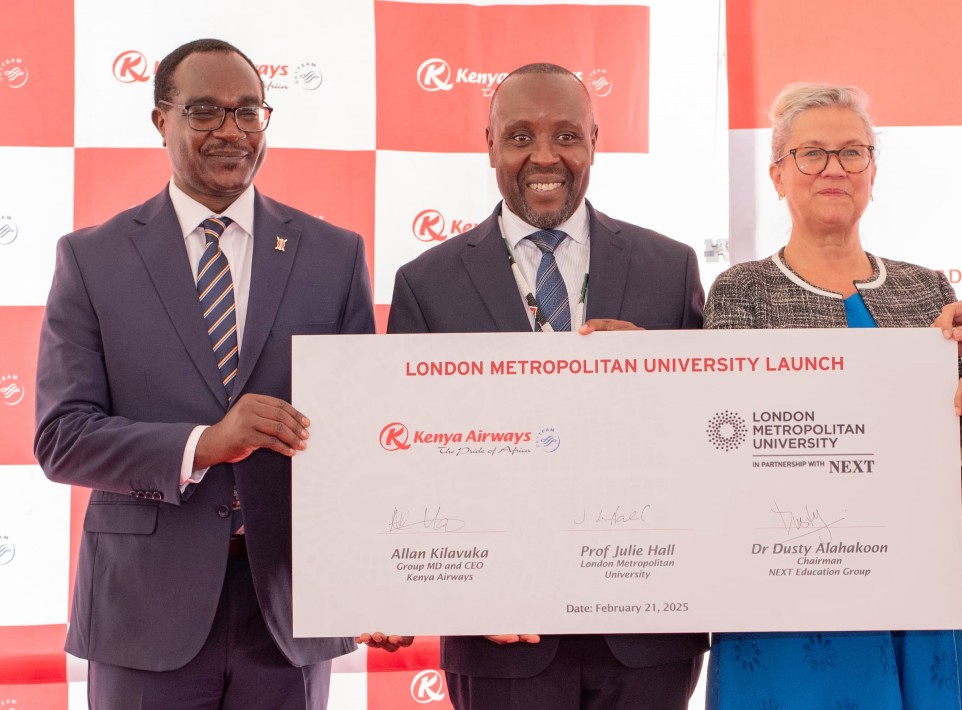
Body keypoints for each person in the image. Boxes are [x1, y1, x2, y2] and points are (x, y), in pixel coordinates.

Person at [33, 38, 401, 710]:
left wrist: (372, 578)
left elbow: (362, 440)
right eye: (205, 112)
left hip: (290, 612)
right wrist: (204, 444)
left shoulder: (334, 255)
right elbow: (62, 437)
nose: (231, 131)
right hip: (144, 614)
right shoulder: (92, 259)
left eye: (249, 113)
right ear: (160, 120)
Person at [387, 63, 707, 710]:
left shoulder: (669, 268)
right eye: (520, 136)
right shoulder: (427, 282)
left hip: (647, 630)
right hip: (500, 628)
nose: (544, 156)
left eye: (566, 135)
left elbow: (710, 437)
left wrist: (667, 377)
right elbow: (402, 458)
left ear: (594, 140)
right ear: (489, 145)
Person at [705, 82, 962, 709]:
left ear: (873, 172)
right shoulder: (742, 291)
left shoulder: (930, 291)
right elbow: (727, 441)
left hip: (921, 580)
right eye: (810, 153)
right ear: (777, 174)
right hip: (794, 585)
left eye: (853, 152)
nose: (833, 169)